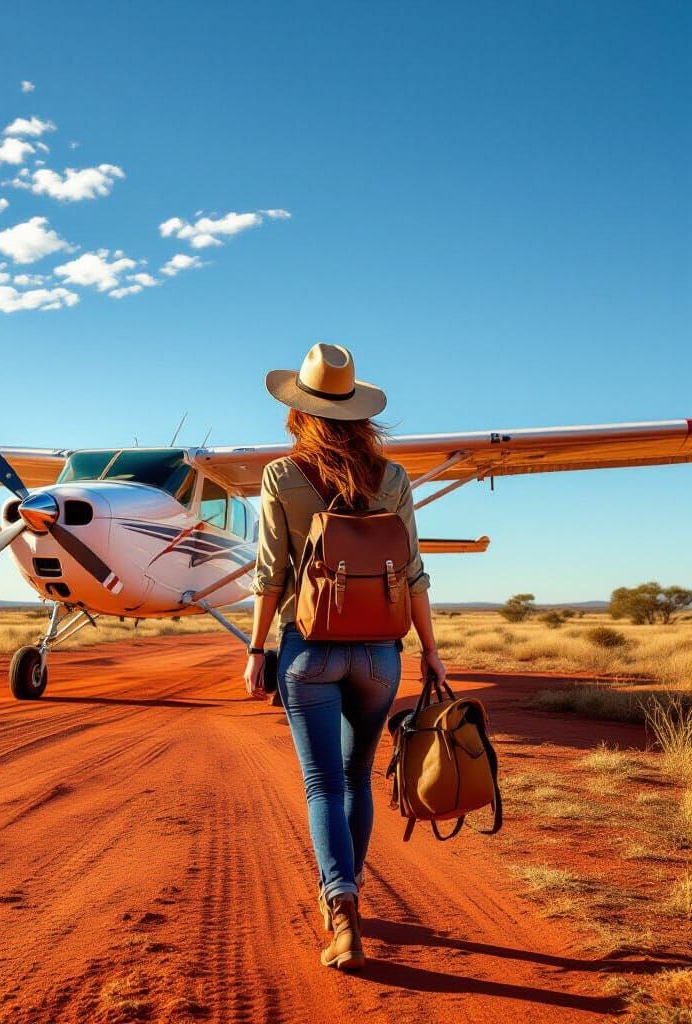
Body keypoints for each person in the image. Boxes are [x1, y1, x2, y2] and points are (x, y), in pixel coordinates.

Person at [243, 342, 446, 972]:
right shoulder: (393, 478)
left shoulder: (282, 476)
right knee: (356, 778)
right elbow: (413, 574)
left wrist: (256, 648)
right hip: (381, 655)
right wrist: (431, 652)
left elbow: (270, 575)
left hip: (308, 651)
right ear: (359, 413)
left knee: (322, 784)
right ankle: (347, 894)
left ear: (298, 412)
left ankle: (342, 907)